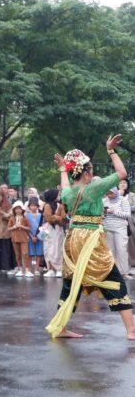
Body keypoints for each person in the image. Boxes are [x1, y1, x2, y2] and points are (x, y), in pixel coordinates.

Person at [47, 138, 135, 340]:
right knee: (112, 278)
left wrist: (62, 169)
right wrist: (111, 151)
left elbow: (65, 183)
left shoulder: (68, 193)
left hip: (73, 238)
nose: (93, 173)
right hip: (90, 239)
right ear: (86, 172)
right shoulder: (93, 189)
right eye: (91, 169)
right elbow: (122, 174)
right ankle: (131, 330)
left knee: (71, 284)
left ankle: (61, 327)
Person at [103, 187, 131, 280]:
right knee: (110, 251)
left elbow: (128, 214)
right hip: (108, 227)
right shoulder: (104, 201)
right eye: (108, 193)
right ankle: (112, 272)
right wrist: (104, 213)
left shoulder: (123, 200)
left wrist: (114, 211)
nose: (109, 195)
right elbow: (101, 214)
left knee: (121, 250)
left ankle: (124, 272)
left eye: (111, 193)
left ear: (115, 192)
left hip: (120, 228)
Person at [42, 189, 66, 278]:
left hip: (58, 229)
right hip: (48, 229)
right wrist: (57, 217)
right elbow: (49, 218)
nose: (59, 196)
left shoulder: (60, 205)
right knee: (48, 248)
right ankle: (51, 269)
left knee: (58, 248)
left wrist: (57, 217)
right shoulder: (47, 205)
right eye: (58, 194)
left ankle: (59, 269)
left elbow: (63, 218)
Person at [8, 201, 32, 277]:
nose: (18, 210)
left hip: (24, 238)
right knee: (17, 255)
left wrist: (22, 226)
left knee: (25, 253)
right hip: (15, 238)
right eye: (16, 209)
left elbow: (29, 228)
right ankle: (20, 269)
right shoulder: (12, 218)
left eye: (19, 209)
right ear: (14, 210)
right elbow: (8, 228)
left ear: (22, 210)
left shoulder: (25, 218)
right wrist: (14, 226)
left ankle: (28, 270)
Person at [25, 197, 44, 274]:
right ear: (29, 206)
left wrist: (38, 236)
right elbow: (26, 227)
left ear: (38, 206)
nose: (33, 207)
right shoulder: (26, 215)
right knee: (30, 253)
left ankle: (36, 269)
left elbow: (43, 226)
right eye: (31, 205)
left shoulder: (41, 215)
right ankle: (29, 269)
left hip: (39, 236)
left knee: (39, 253)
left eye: (35, 205)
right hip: (30, 236)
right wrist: (31, 236)